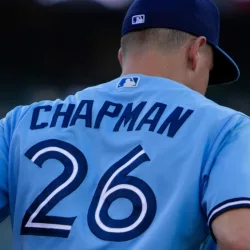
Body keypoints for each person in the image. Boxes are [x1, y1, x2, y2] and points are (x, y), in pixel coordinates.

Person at [1, 0, 250, 249]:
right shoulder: (226, 128)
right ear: (195, 53)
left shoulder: (21, 122)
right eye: (210, 71)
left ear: (122, 57)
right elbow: (239, 238)